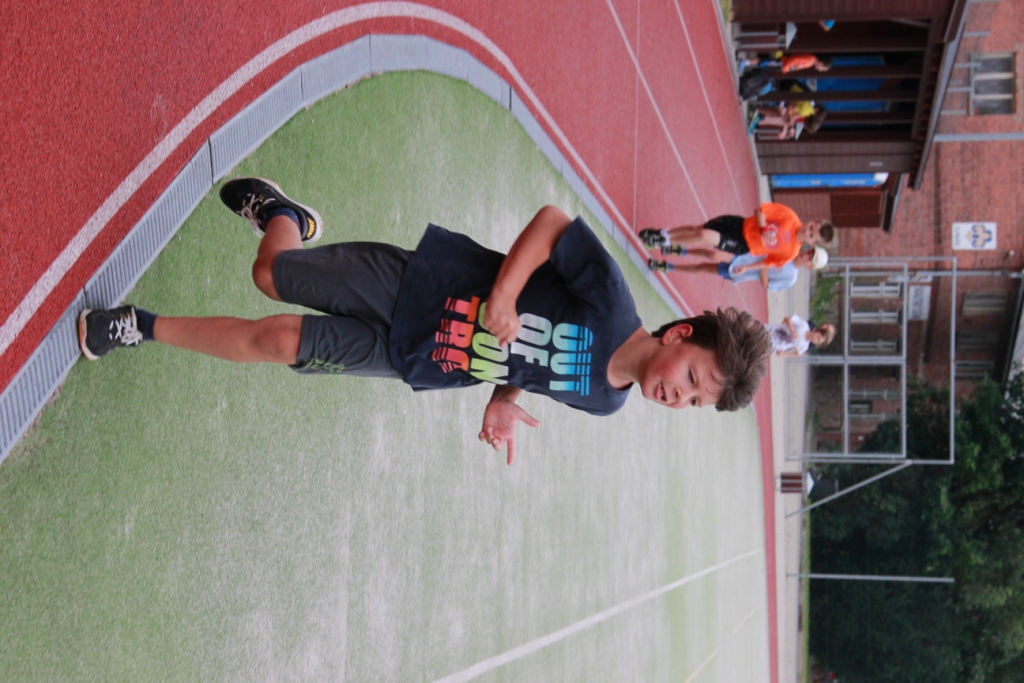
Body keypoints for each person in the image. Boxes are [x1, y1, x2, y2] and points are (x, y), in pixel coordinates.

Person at [79, 178, 773, 464]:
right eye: (693, 379)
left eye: (694, 403)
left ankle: (140, 325)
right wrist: (505, 295)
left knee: (278, 341)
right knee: (271, 275)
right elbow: (553, 223)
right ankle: (283, 215)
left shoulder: (605, 402)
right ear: (680, 334)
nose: (679, 396)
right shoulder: (612, 300)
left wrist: (503, 399)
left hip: (423, 359)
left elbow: (535, 363)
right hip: (423, 286)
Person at [639, 203, 833, 271]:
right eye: (811, 227)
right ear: (812, 221)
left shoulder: (791, 252)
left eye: (811, 235)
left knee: (704, 236)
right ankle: (663, 234)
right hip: (739, 225)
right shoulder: (789, 216)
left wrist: (747, 267)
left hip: (741, 244)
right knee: (698, 230)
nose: (807, 232)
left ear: (812, 242)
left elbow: (769, 262)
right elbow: (760, 211)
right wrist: (764, 228)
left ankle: (663, 241)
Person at [647, 246, 828, 288]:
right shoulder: (790, 249)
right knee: (713, 254)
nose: (806, 255)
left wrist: (764, 268)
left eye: (810, 258)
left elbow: (767, 285)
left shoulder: (790, 277)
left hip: (739, 271)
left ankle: (669, 267)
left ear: (809, 267)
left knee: (703, 267)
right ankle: (681, 250)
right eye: (809, 252)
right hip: (744, 254)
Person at [766, 315, 835, 356]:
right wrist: (793, 331)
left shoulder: (805, 346)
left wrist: (784, 354)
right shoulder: (804, 325)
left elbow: (797, 353)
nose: (815, 339)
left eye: (818, 341)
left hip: (773, 346)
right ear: (816, 330)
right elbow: (787, 319)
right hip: (771, 331)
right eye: (818, 337)